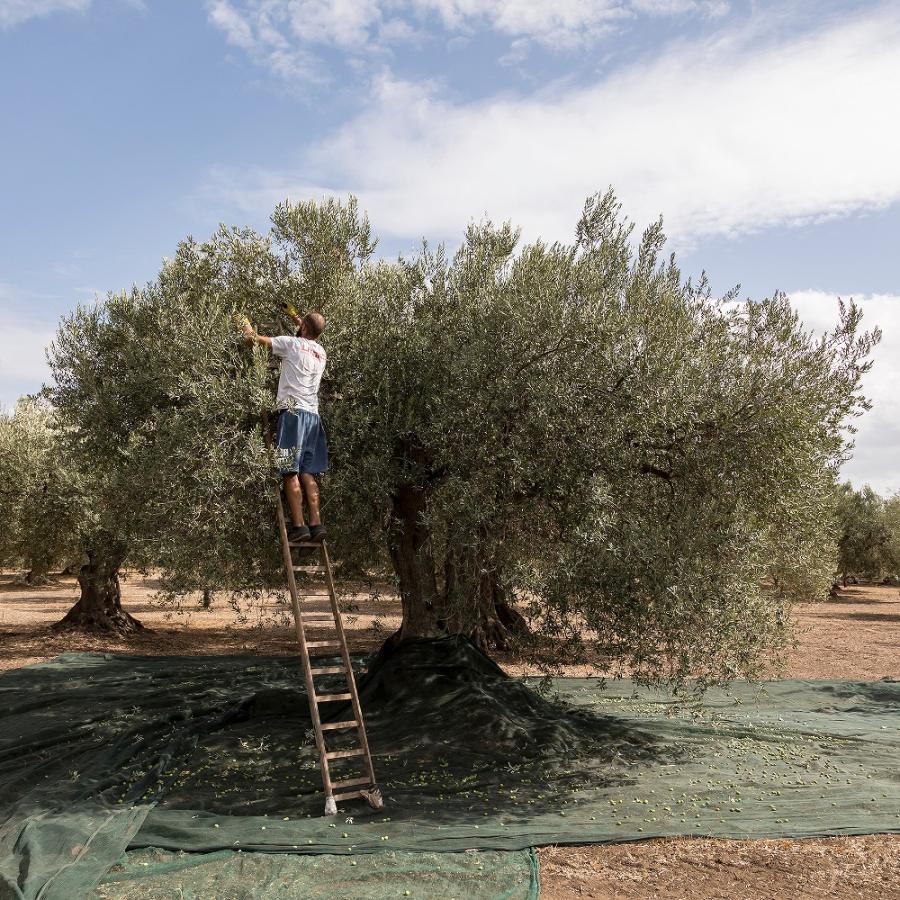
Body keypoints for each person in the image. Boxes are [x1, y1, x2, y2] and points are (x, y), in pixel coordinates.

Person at [240, 311, 329, 544]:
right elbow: (310, 334)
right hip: (313, 416)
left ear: (305, 330)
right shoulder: (321, 352)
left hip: (293, 412)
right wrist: (299, 319)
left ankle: (299, 527)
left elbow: (254, 340)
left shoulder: (290, 344)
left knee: (290, 471)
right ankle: (316, 524)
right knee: (308, 471)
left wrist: (244, 322)